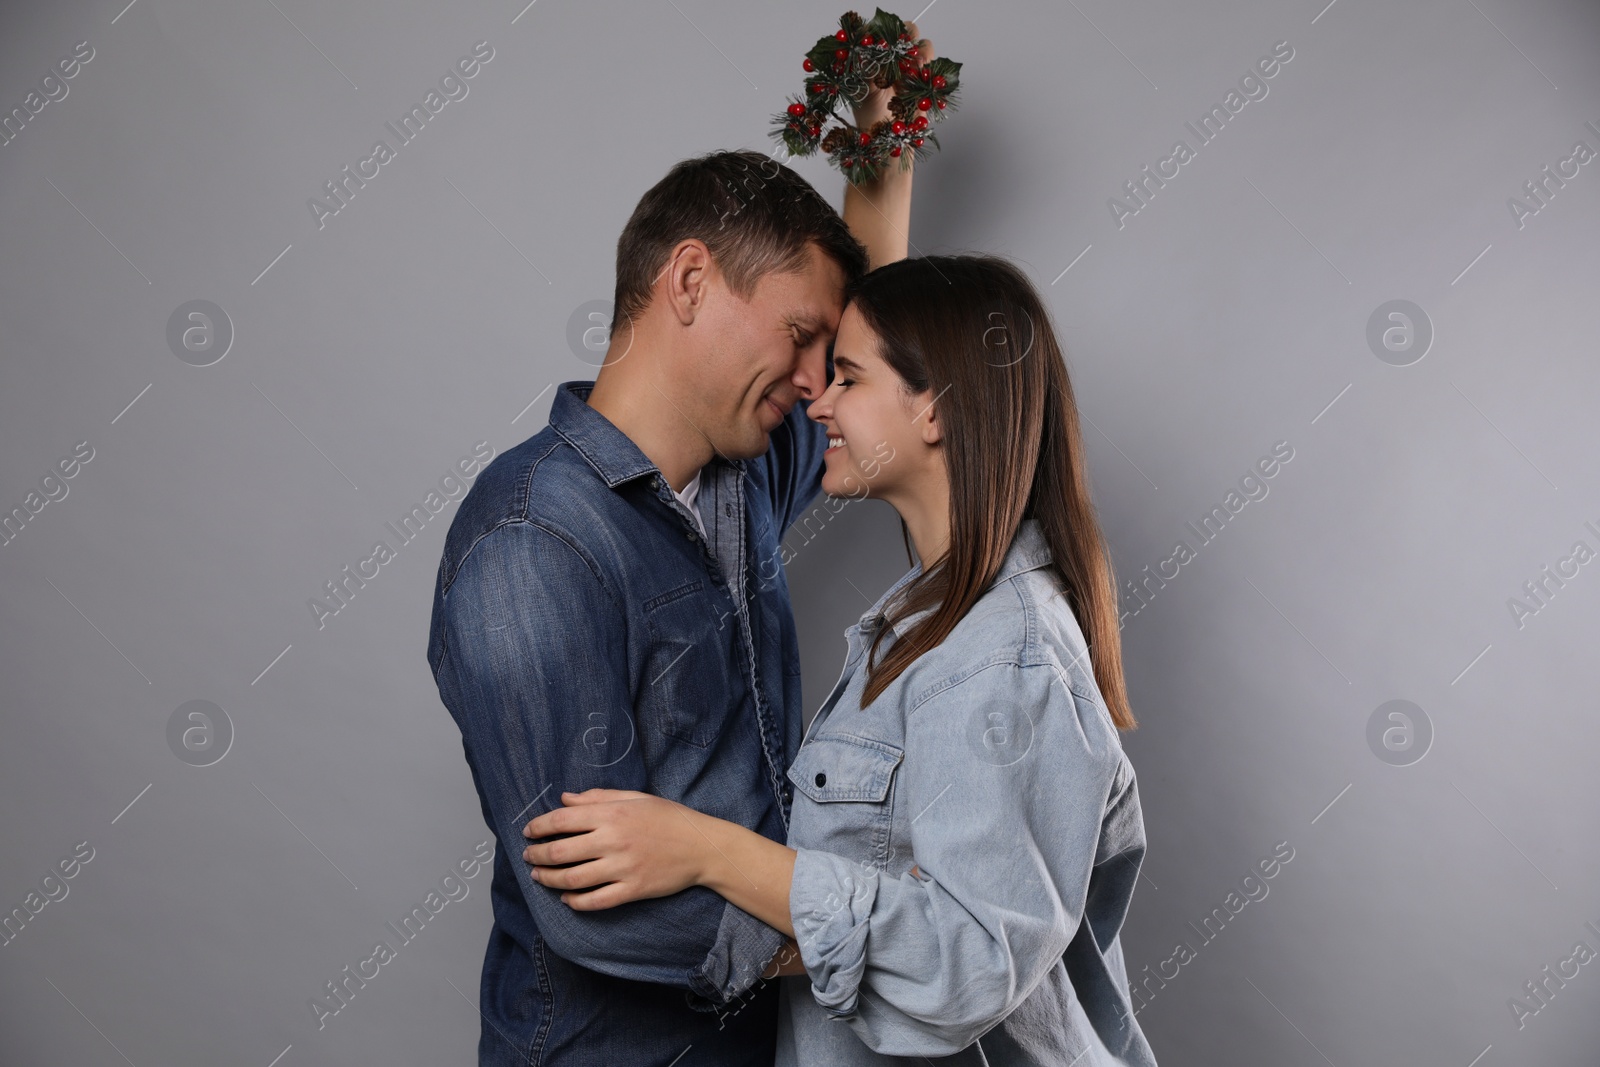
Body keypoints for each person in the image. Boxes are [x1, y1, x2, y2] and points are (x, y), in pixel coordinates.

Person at [425, 27, 936, 1067]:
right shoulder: (532, 541)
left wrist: (881, 143)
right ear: (690, 283)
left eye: (822, 355)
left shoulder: (739, 473)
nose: (813, 381)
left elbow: (863, 337)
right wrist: (867, 937)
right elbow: (587, 910)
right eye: (799, 337)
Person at [519, 254, 1161, 1065]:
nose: (817, 402)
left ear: (934, 408)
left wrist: (707, 850)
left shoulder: (1003, 657)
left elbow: (969, 961)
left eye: (848, 379)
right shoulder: (930, 616)